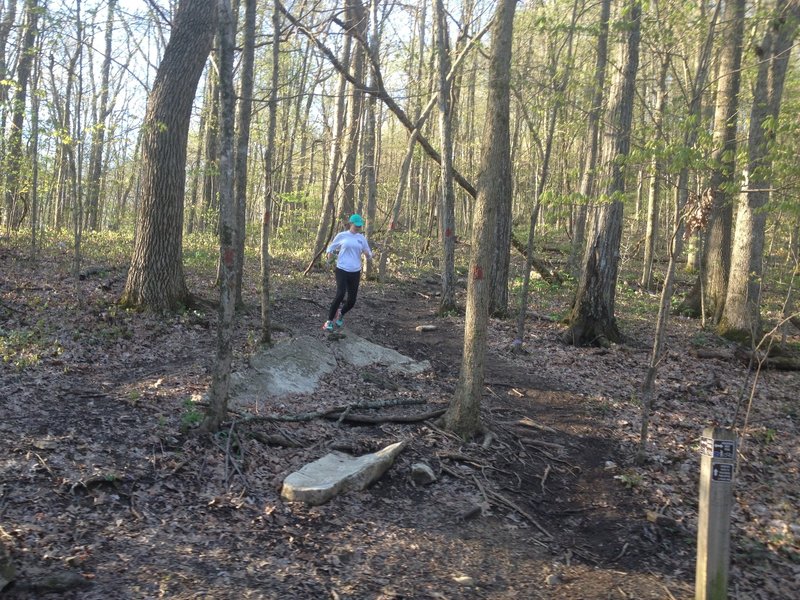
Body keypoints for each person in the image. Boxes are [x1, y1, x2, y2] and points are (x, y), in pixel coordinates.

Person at [323, 214, 373, 331]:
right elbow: (331, 248)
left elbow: (369, 254)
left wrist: (368, 254)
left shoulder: (361, 238)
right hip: (342, 269)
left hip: (355, 271)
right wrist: (329, 255)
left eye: (360, 226)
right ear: (350, 224)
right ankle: (329, 321)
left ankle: (341, 313)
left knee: (352, 301)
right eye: (356, 225)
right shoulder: (342, 236)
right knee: (340, 294)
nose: (358, 228)